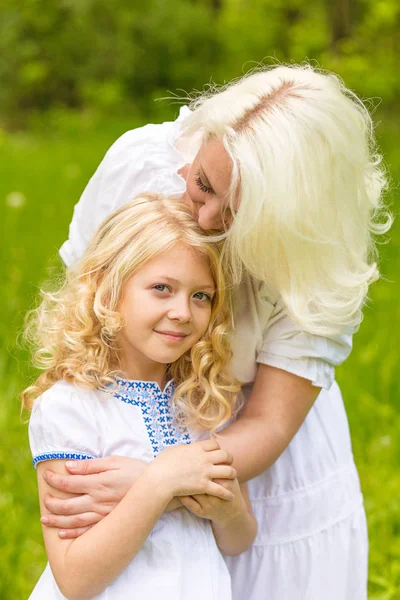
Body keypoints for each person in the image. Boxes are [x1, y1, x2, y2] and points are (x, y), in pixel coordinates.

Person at [42, 64, 390, 599]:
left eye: (234, 217)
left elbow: (270, 425)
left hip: (255, 467)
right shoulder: (141, 163)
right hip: (143, 434)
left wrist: (157, 480)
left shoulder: (320, 258)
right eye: (203, 184)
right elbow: (85, 303)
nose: (202, 220)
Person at [23, 195, 258, 600]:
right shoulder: (70, 408)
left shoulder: (202, 402)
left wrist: (229, 509)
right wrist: (161, 481)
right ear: (109, 290)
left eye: (201, 295)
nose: (183, 311)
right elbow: (75, 579)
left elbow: (239, 539)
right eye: (162, 289)